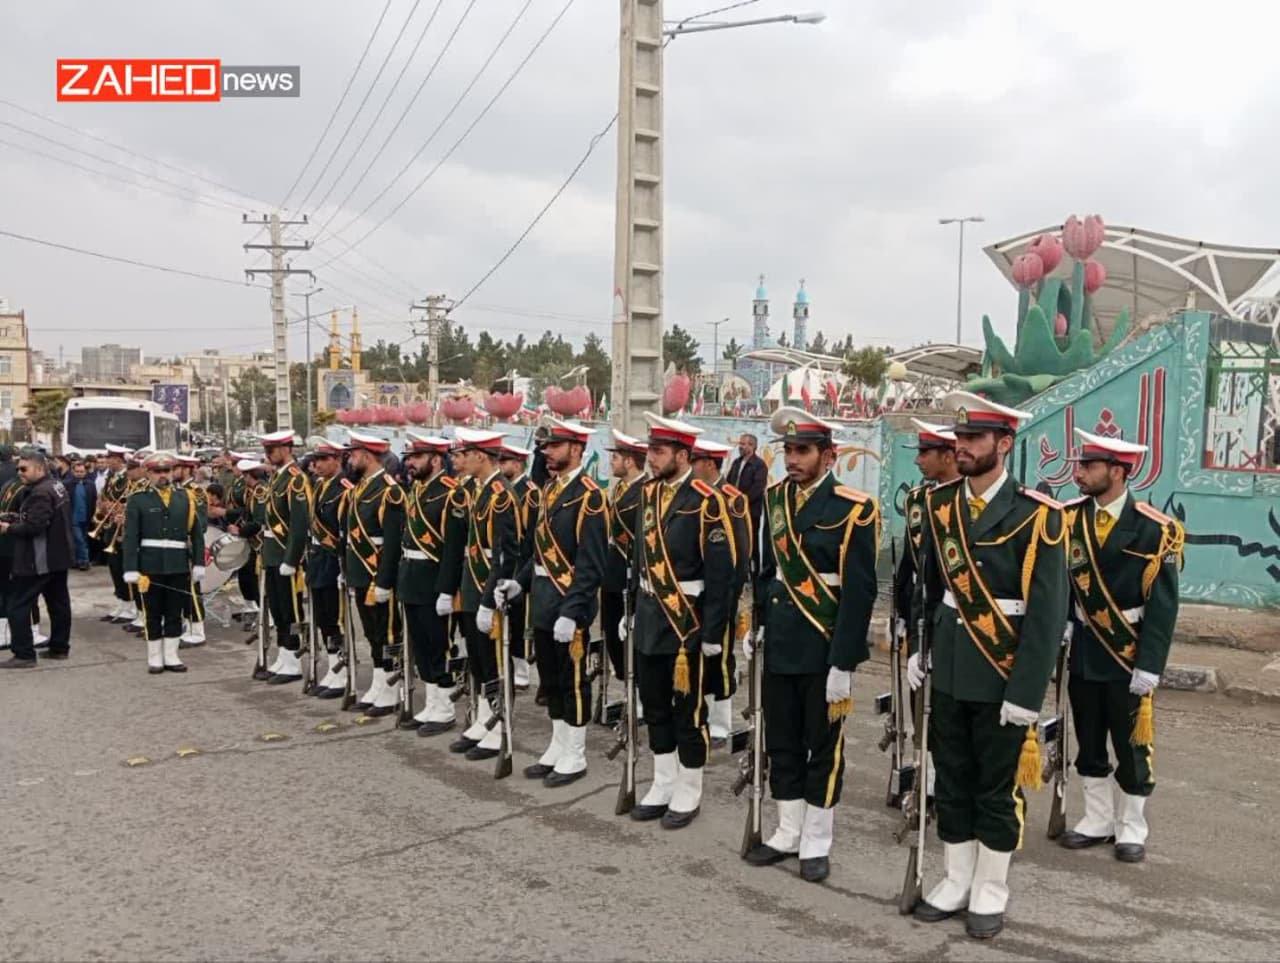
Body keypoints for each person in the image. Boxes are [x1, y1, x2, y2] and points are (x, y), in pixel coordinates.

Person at [908, 392, 1068, 940]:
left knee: (996, 788)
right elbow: (930, 588)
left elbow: (1046, 615)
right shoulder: (939, 505)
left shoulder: (1039, 515)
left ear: (1004, 443)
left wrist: (1027, 693)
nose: (963, 447)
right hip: (951, 666)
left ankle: (991, 888)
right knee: (952, 778)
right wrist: (922, 647)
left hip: (1002, 670)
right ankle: (956, 879)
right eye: (960, 438)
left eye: (974, 438)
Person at [742, 408, 879, 882]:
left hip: (823, 646)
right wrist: (757, 623)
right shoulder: (775, 499)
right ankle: (788, 830)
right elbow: (766, 572)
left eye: (802, 451)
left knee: (822, 747)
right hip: (781, 641)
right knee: (781, 740)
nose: (793, 459)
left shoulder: (854, 509)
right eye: (788, 450)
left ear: (829, 456)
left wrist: (844, 661)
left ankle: (817, 840)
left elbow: (859, 593)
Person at [1058, 429, 1183, 863]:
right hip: (1085, 649)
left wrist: (1150, 664)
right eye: (1080, 465)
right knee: (1089, 739)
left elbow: (1163, 606)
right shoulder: (1069, 520)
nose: (1079, 474)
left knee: (1131, 746)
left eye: (1089, 466)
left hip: (1128, 652)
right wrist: (1065, 622)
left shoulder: (1155, 529)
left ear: (1117, 471)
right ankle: (1097, 819)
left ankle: (1131, 826)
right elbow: (1058, 583)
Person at [623, 413, 735, 828]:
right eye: (650, 450)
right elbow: (639, 557)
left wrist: (714, 631)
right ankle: (663, 782)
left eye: (658, 451)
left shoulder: (706, 500)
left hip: (686, 622)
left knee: (688, 711)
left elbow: (722, 574)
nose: (650, 458)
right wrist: (632, 611)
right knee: (654, 706)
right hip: (650, 617)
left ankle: (689, 788)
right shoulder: (648, 494)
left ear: (682, 455)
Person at [497, 418, 607, 787]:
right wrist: (520, 581)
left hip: (569, 605)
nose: (547, 452)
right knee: (551, 680)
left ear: (576, 449)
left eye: (555, 446)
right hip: (543, 600)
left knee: (573, 681)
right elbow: (539, 552)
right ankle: (558, 744)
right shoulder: (549, 489)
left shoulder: (590, 496)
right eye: (546, 446)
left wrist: (572, 612)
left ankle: (575, 753)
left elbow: (591, 565)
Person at [892, 420, 960, 797]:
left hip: (956, 616)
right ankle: (926, 780)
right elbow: (910, 561)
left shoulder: (966, 499)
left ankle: (947, 783)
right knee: (920, 700)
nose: (918, 460)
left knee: (950, 705)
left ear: (948, 456)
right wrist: (901, 613)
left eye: (924, 453)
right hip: (922, 612)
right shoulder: (918, 499)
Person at [448, 427, 519, 762]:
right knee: (477, 658)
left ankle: (498, 723)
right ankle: (483, 718)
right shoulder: (477, 490)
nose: (460, 459)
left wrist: (490, 601)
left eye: (466, 453)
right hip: (471, 583)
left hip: (488, 587)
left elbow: (506, 555)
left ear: (481, 456)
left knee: (493, 661)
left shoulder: (501, 495)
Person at [395, 432, 466, 733]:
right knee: (421, 645)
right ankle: (432, 704)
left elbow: (453, 548)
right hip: (412, 577)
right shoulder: (417, 489)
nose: (410, 463)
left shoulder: (451, 493)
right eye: (409, 457)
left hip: (434, 580)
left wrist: (447, 590)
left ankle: (445, 709)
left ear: (436, 460)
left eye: (417, 457)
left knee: (439, 645)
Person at [689, 438, 752, 748]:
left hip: (721, 591)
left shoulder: (732, 498)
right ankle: (700, 712)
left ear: (709, 464)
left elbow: (740, 552)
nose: (690, 466)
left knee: (720, 656)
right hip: (693, 594)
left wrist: (731, 594)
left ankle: (720, 722)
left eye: (695, 461)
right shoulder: (694, 496)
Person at [122, 451, 204, 675]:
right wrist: (130, 568)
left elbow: (196, 534)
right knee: (152, 613)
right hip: (150, 565)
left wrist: (198, 562)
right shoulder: (138, 499)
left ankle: (171, 655)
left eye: (166, 470)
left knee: (174, 612)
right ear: (148, 473)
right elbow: (130, 537)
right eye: (157, 471)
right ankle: (155, 657)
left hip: (178, 564)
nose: (162, 475)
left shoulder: (186, 497)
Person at [342, 432, 406, 716]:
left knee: (387, 632)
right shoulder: (361, 487)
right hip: (360, 572)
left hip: (378, 573)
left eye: (353, 454)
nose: (350, 460)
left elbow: (392, 543)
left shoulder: (389, 491)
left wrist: (384, 580)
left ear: (367, 456)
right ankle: (379, 683)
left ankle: (392, 687)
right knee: (371, 633)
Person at [0, 450, 75, 667]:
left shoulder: (40, 492)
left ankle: (24, 654)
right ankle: (59, 647)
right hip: (58, 556)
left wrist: (7, 528)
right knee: (58, 603)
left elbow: (34, 526)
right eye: (18, 469)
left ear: (39, 469)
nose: (19, 473)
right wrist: (12, 517)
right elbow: (38, 517)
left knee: (17, 605)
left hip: (39, 559)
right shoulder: (54, 485)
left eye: (24, 469)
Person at [254, 431, 312, 684]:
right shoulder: (277, 477)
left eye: (273, 449)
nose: (268, 454)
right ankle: (284, 654)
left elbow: (299, 525)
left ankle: (294, 660)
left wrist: (292, 559)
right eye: (267, 450)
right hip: (272, 553)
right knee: (277, 609)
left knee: (290, 610)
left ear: (287, 449)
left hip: (285, 554)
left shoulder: (296, 479)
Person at [599, 429, 648, 694]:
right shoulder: (620, 488)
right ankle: (625, 680)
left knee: (631, 636)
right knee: (611, 631)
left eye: (616, 457)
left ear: (629, 461)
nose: (611, 462)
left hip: (632, 572)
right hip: (613, 571)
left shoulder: (645, 491)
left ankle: (637, 689)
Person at [305, 440, 352, 699]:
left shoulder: (344, 488)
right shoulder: (319, 485)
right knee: (323, 617)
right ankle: (333, 667)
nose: (318, 465)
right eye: (316, 460)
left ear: (337, 460)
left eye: (324, 459)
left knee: (336, 618)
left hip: (333, 560)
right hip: (318, 558)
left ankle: (342, 671)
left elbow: (344, 530)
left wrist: (344, 565)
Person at [497, 442, 539, 691]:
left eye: (505, 462)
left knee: (521, 619)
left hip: (522, 563)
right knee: (507, 618)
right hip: (506, 561)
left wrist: (525, 569)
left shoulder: (530, 493)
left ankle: (522, 668)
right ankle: (508, 664)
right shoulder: (503, 489)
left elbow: (532, 535)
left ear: (518, 464)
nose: (500, 466)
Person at [172, 455, 208, 647]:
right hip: (177, 547)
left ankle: (197, 631)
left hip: (190, 546)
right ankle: (188, 625)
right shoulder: (177, 490)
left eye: (176, 468)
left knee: (192, 590)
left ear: (186, 469)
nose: (172, 472)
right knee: (182, 590)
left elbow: (200, 525)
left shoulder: (196, 492)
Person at [726, 432, 767, 570]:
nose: (741, 446)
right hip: (734, 510)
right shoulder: (736, 462)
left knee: (751, 542)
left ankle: (754, 571)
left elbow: (757, 489)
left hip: (750, 511)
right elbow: (728, 483)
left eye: (744, 444)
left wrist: (741, 503)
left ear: (752, 446)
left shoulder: (759, 465)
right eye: (740, 443)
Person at [68, 460, 97, 571]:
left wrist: (93, 516)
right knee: (79, 539)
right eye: (77, 471)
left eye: (82, 471)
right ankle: (84, 561)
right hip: (73, 518)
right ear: (73, 471)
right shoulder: (67, 484)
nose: (79, 473)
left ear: (85, 472)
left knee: (83, 540)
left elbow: (93, 500)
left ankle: (78, 560)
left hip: (86, 517)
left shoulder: (90, 484)